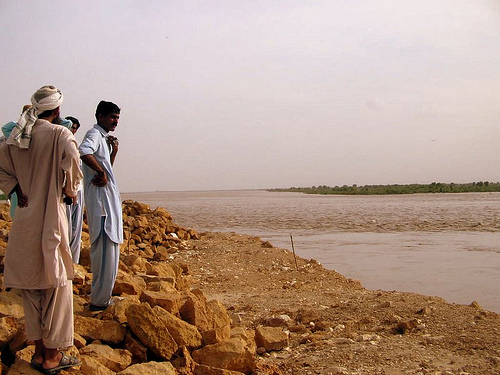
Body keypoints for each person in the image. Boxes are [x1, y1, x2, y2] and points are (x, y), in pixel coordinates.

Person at [0, 85, 82, 373]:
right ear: (57, 110)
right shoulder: (61, 134)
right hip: (50, 217)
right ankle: (53, 356)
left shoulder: (15, 136)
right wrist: (70, 190)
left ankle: (37, 353)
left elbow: (0, 168)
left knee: (32, 286)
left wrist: (14, 188)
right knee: (57, 286)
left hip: (24, 217)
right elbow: (73, 161)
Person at [79, 101, 123, 311]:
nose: (115, 121)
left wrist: (113, 152)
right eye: (112, 117)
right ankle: (98, 302)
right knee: (104, 256)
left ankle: (102, 298)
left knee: (110, 255)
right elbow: (84, 151)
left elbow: (106, 167)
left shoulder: (103, 138)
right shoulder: (94, 134)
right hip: (102, 207)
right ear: (100, 117)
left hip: (107, 204)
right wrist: (100, 173)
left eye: (117, 118)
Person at [65, 116, 84, 263]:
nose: (73, 130)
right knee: (65, 227)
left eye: (75, 127)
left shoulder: (75, 145)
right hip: (65, 191)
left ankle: (74, 262)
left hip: (77, 190)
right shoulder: (61, 142)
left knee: (76, 228)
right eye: (71, 126)